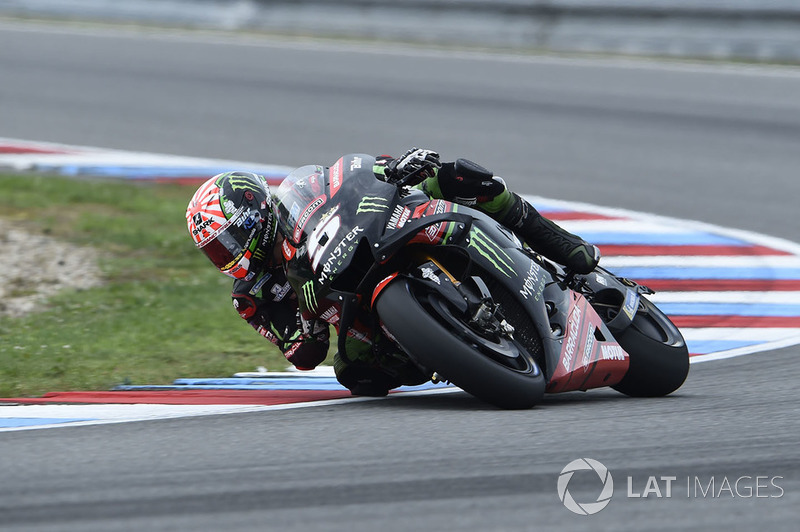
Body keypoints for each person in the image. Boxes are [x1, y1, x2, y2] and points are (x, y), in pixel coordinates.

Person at [186, 148, 600, 396]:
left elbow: (353, 177)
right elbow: (303, 355)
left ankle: (557, 244)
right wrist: (307, 318)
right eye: (216, 251)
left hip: (377, 237)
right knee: (355, 375)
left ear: (254, 214)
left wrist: (398, 167)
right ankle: (445, 347)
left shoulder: (302, 193)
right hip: (355, 308)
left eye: (230, 241)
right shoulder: (252, 295)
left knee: (458, 178)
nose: (230, 256)